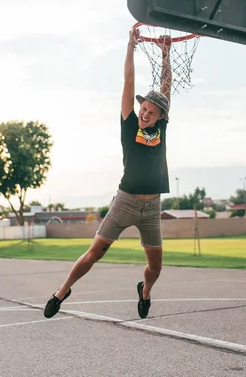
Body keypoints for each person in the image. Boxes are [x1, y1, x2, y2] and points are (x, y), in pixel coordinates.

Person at [44, 27, 172, 319]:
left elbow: (166, 86)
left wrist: (166, 54)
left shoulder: (162, 128)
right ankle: (61, 291)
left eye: (152, 111)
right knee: (94, 253)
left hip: (152, 208)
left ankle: (145, 292)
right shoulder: (130, 123)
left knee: (156, 267)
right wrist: (131, 46)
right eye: (144, 108)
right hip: (125, 201)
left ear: (161, 116)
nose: (145, 113)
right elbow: (129, 80)